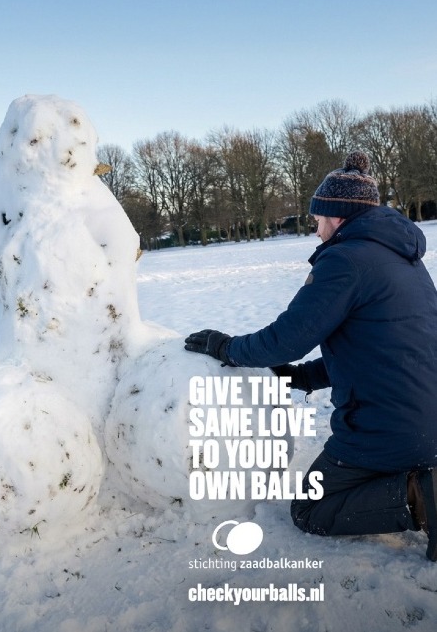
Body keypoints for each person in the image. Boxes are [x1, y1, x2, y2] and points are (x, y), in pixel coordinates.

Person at [184, 151, 437, 561]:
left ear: (337, 216)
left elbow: (285, 340)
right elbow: (380, 353)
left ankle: (424, 497)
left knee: (310, 509)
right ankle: (419, 476)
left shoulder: (346, 260)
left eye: (317, 219)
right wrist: (302, 378)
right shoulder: (402, 258)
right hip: (426, 420)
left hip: (392, 427)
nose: (314, 229)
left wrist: (224, 347)